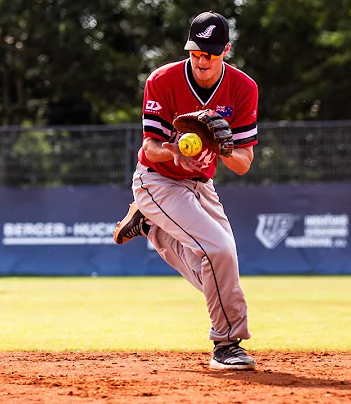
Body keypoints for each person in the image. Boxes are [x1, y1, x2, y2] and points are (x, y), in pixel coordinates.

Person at [112, 10, 259, 371]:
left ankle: (149, 226)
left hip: (201, 184)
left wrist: (225, 149)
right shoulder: (163, 79)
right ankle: (226, 345)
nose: (201, 59)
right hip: (157, 178)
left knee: (223, 262)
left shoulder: (243, 88)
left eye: (209, 52)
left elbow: (243, 163)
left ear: (226, 49)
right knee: (218, 249)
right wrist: (176, 151)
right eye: (195, 51)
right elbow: (150, 148)